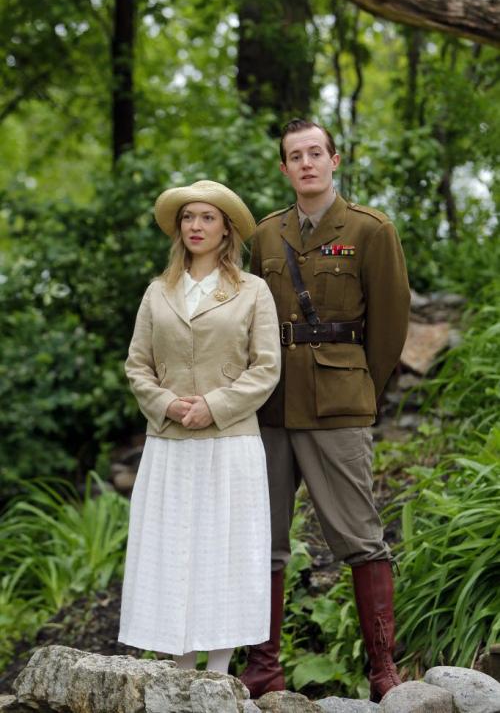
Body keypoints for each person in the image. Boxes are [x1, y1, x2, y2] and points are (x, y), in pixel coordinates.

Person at [240, 119, 411, 702]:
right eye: (296, 156)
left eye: (317, 152)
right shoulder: (264, 237)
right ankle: (264, 667)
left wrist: (361, 388)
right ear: (284, 169)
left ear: (335, 160)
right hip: (269, 406)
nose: (307, 163)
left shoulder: (370, 230)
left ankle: (383, 669)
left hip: (340, 406)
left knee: (362, 538)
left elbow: (389, 327)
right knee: (264, 539)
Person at [118, 179, 281, 675]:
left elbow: (267, 366)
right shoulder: (157, 292)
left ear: (226, 230)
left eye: (207, 217)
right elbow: (136, 365)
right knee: (173, 549)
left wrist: (213, 405)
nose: (195, 226)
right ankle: (181, 668)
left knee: (225, 551)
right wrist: (167, 404)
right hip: (169, 444)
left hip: (229, 441)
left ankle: (217, 673)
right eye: (188, 217)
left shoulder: (253, 291)